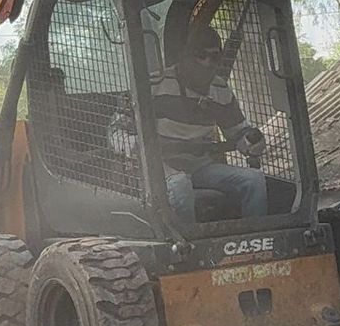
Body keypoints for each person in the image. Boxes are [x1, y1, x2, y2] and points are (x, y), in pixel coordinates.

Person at [111, 25, 269, 220]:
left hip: (200, 166)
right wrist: (138, 146)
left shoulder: (219, 88)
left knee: (254, 180)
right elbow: (115, 132)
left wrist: (251, 141)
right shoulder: (152, 85)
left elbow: (238, 131)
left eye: (215, 57)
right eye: (201, 55)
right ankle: (189, 245)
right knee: (180, 186)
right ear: (185, 56)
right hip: (159, 166)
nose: (208, 63)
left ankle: (253, 240)